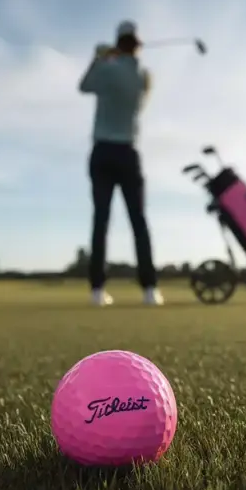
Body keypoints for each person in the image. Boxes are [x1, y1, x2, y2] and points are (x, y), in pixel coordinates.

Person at [77, 20, 164, 307]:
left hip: (101, 152)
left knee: (100, 221)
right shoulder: (144, 76)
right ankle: (150, 290)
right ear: (137, 45)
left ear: (118, 43)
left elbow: (83, 86)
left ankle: (97, 291)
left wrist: (98, 57)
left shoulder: (106, 69)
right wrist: (114, 58)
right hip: (127, 152)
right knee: (138, 221)